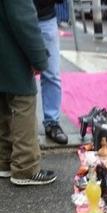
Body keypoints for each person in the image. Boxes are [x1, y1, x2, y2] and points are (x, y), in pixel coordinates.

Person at [0, 0, 56, 185]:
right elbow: (23, 20)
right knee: (23, 101)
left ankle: (4, 160)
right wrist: (39, 58)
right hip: (12, 52)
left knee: (3, 103)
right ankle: (25, 168)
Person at [34, 0, 68, 145]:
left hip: (45, 17)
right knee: (17, 74)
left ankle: (52, 122)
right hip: (16, 15)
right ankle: (15, 125)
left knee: (52, 74)